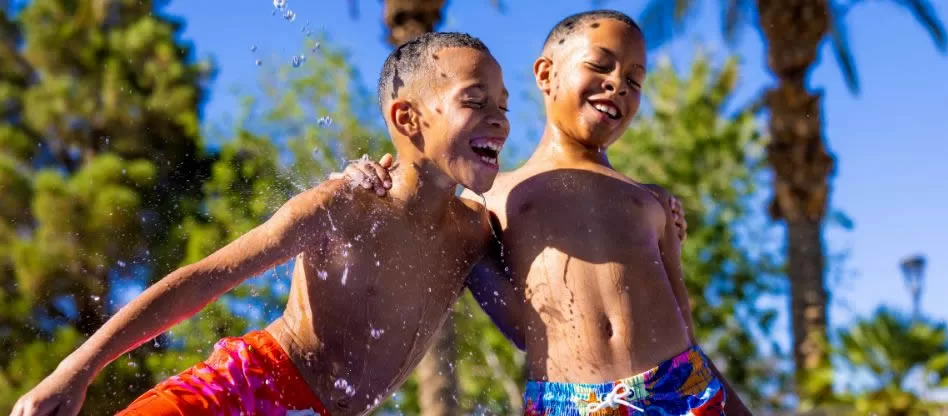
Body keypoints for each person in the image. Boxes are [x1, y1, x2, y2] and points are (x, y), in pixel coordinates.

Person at [11, 31, 510, 416]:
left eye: (504, 107)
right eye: (475, 101)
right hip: (244, 390)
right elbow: (205, 279)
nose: (500, 120)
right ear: (407, 119)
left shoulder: (473, 233)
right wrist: (76, 370)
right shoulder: (346, 205)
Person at [338, 10, 753, 415]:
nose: (617, 84)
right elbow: (522, 329)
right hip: (569, 401)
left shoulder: (652, 200)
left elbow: (685, 331)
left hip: (679, 389)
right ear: (545, 73)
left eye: (634, 80)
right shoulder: (492, 197)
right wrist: (369, 182)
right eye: (600, 65)